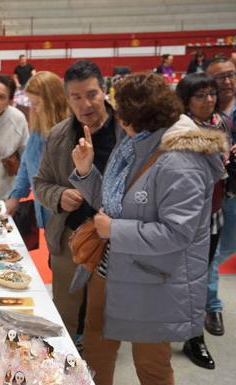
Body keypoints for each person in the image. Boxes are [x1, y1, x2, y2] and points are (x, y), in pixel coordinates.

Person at [70, 73, 226, 385]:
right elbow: (117, 202)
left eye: (121, 110)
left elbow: (177, 233)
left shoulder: (182, 161)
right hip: (110, 270)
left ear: (138, 115)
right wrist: (86, 170)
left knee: (151, 364)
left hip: (153, 281)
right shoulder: (135, 143)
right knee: (96, 352)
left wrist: (115, 230)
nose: (117, 116)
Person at [33, 60, 122, 342]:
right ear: (67, 99)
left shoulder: (126, 132)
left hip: (115, 241)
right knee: (65, 313)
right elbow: (41, 183)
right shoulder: (59, 135)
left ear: (104, 90)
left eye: (92, 94)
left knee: (104, 317)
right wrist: (59, 196)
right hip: (70, 238)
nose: (86, 104)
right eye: (76, 97)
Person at [176, 73, 230, 369]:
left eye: (211, 94)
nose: (209, 100)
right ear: (185, 101)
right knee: (178, 277)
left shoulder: (219, 123)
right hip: (185, 216)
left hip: (213, 212)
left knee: (200, 276)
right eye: (200, 95)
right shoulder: (179, 129)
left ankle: (193, 335)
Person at [6, 71, 70, 230]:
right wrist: (15, 196)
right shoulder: (37, 130)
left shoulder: (69, 131)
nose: (34, 110)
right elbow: (26, 164)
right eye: (31, 103)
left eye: (37, 103)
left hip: (65, 217)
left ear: (52, 102)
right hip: (44, 211)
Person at [204, 56, 236, 339]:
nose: (227, 81)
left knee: (227, 248)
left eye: (231, 75)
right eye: (219, 78)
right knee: (211, 253)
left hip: (233, 193)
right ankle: (211, 304)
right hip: (210, 198)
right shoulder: (199, 114)